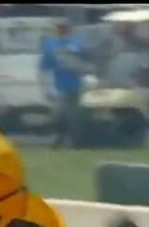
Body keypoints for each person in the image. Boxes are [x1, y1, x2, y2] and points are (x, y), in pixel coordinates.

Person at [39, 19, 89, 148]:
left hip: (75, 84)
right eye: (60, 27)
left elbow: (84, 58)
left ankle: (76, 141)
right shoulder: (51, 44)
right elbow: (45, 66)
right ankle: (61, 138)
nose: (62, 30)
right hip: (59, 84)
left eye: (64, 27)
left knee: (72, 115)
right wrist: (46, 86)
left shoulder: (76, 42)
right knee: (60, 114)